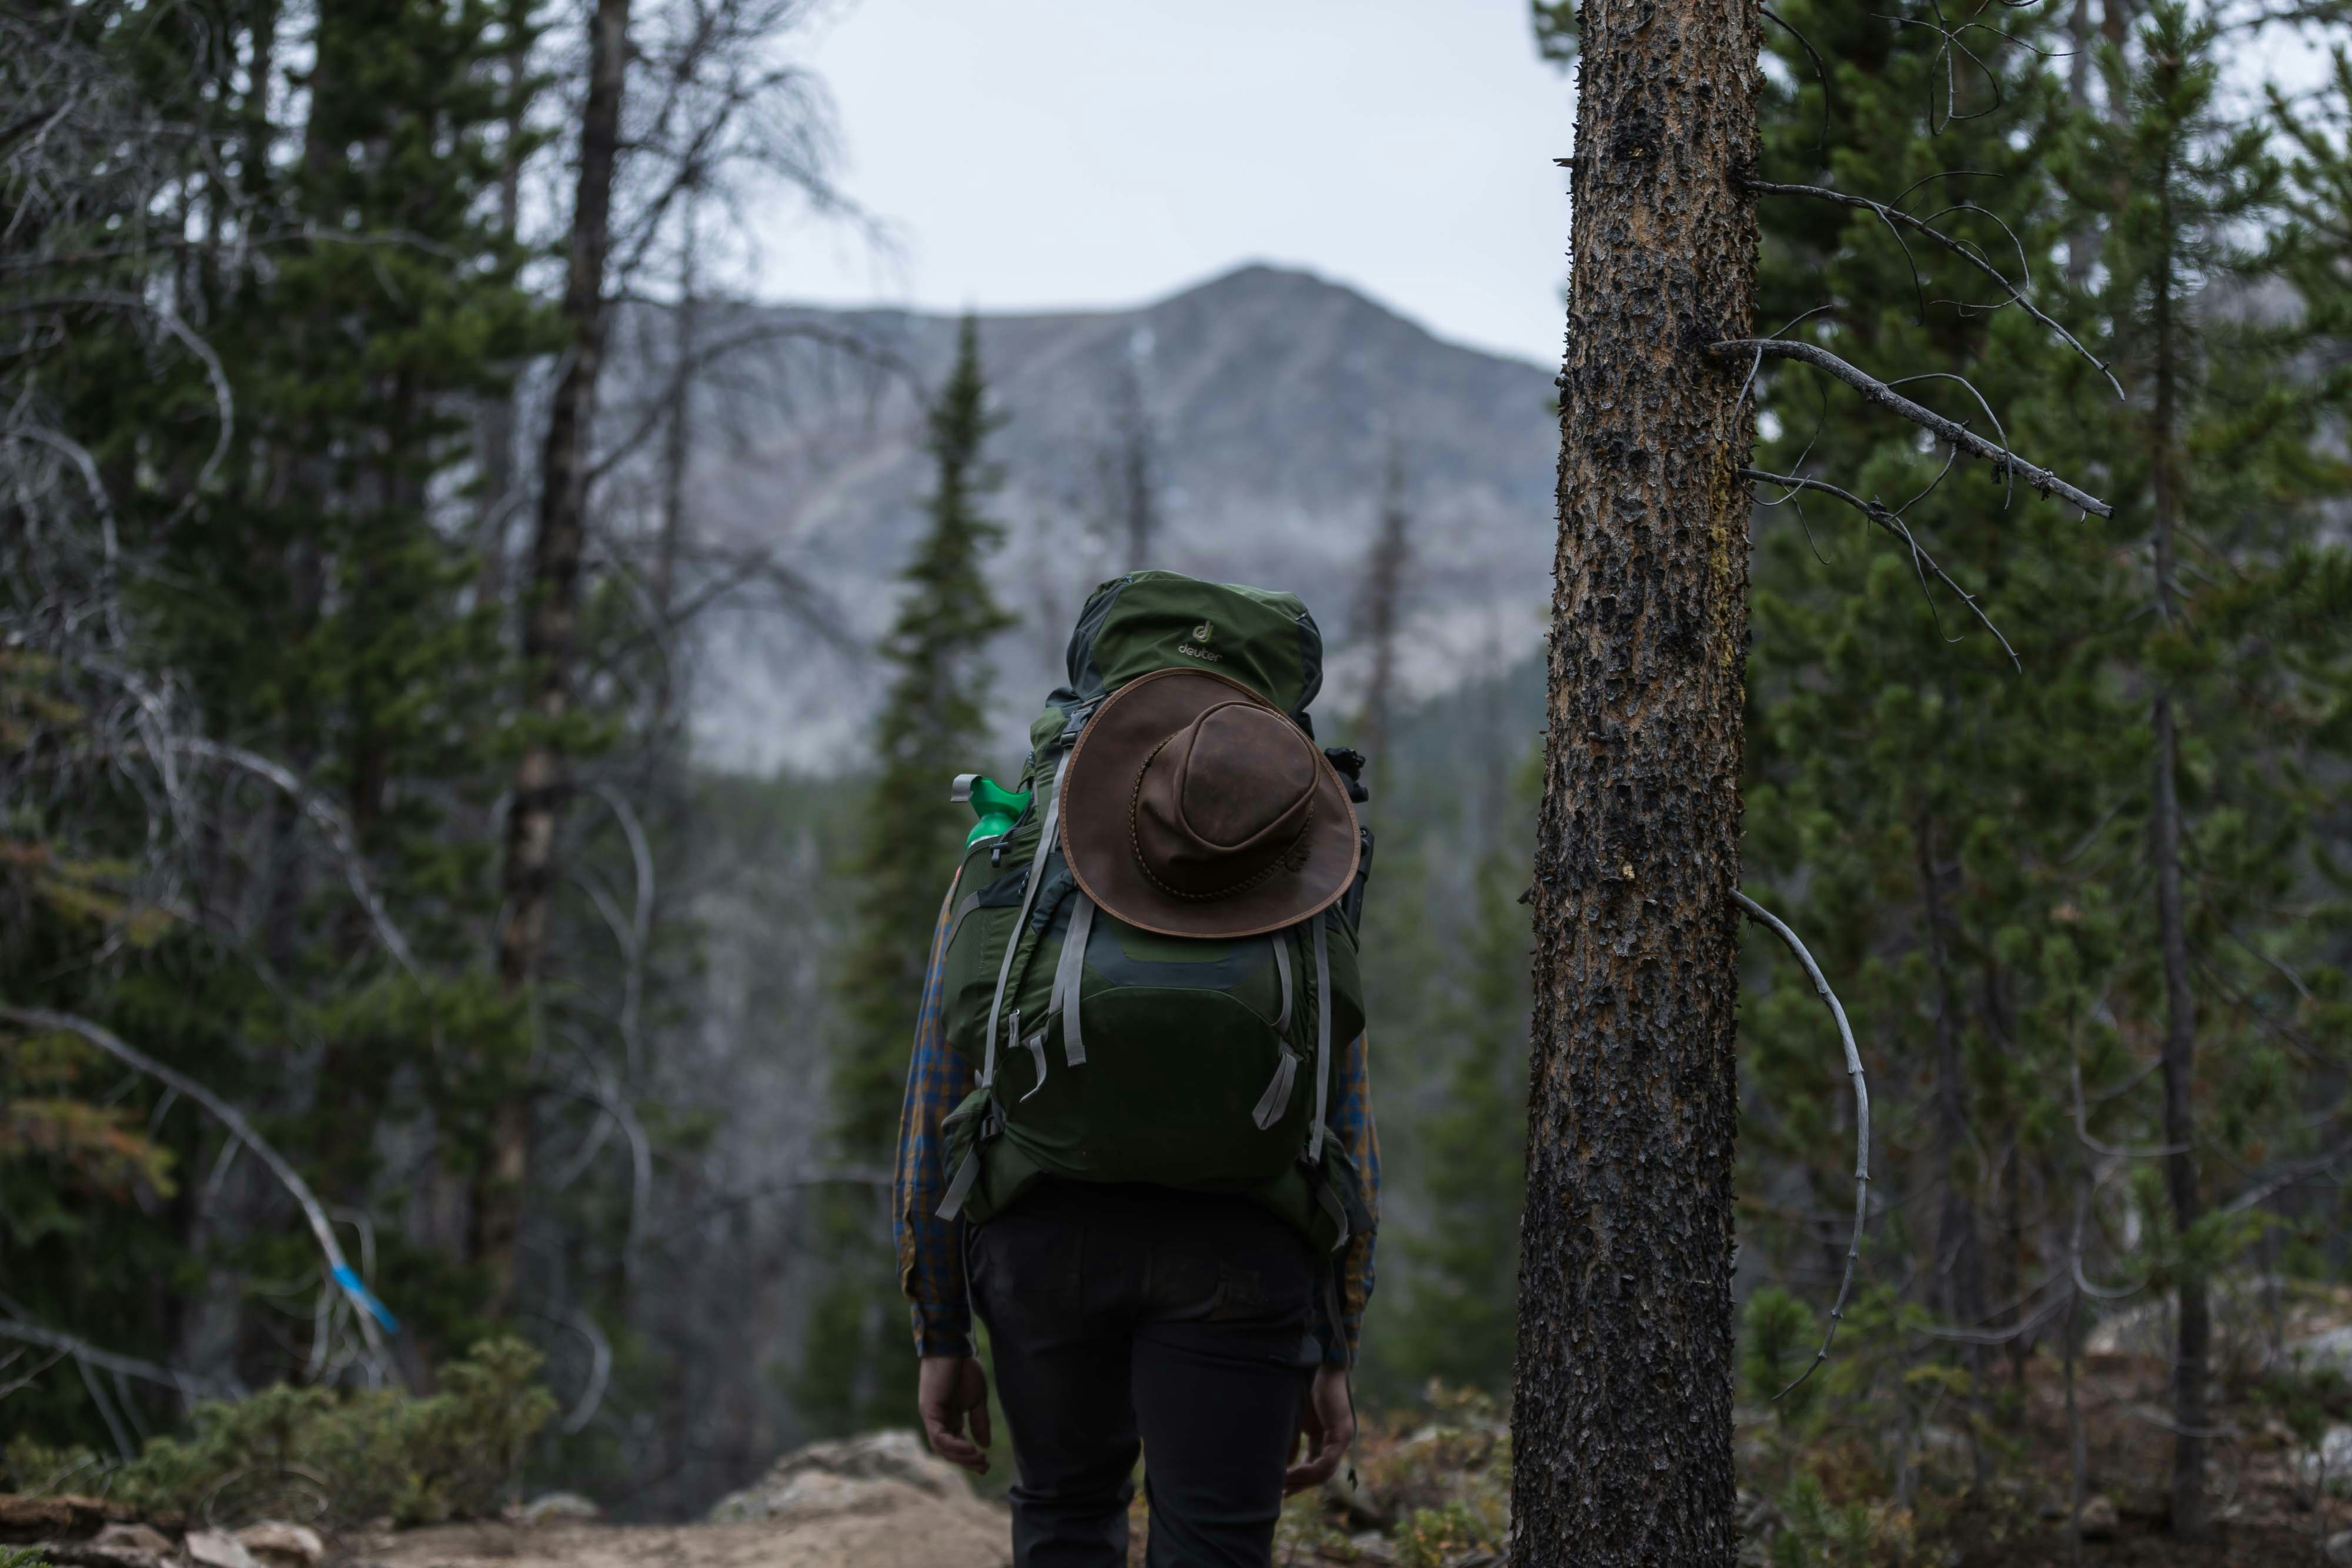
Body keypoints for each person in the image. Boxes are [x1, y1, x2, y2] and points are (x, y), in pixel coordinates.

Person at [891, 574, 1379, 1568]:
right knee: (1217, 1545)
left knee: (1066, 1517)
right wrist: (1332, 1339)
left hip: (1041, 1234)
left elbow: (939, 1090)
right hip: (1245, 1247)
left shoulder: (1018, 843)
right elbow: (1343, 1110)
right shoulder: (1307, 854)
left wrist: (941, 1329)